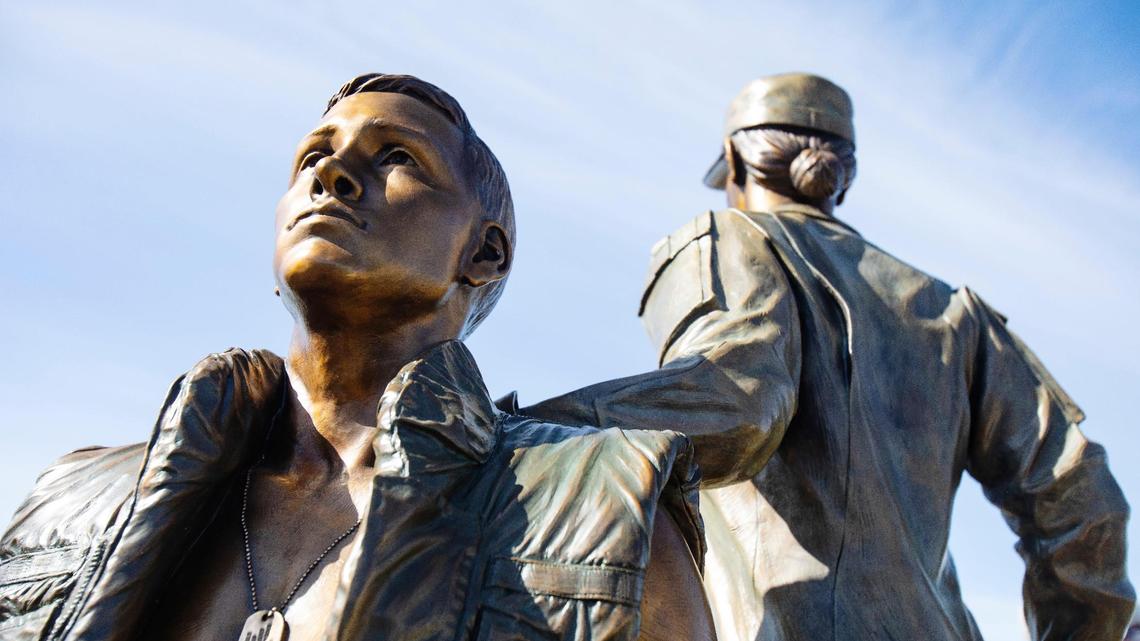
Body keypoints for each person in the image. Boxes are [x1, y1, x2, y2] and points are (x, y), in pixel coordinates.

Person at [0, 74, 714, 641]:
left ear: (484, 252)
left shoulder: (600, 506)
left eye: (398, 157)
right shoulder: (74, 501)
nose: (332, 173)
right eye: (313, 156)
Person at [512, 73, 1134, 640]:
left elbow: (737, 403)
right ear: (845, 172)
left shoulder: (735, 237)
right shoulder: (957, 313)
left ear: (734, 162)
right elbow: (1081, 501)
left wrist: (514, 437)